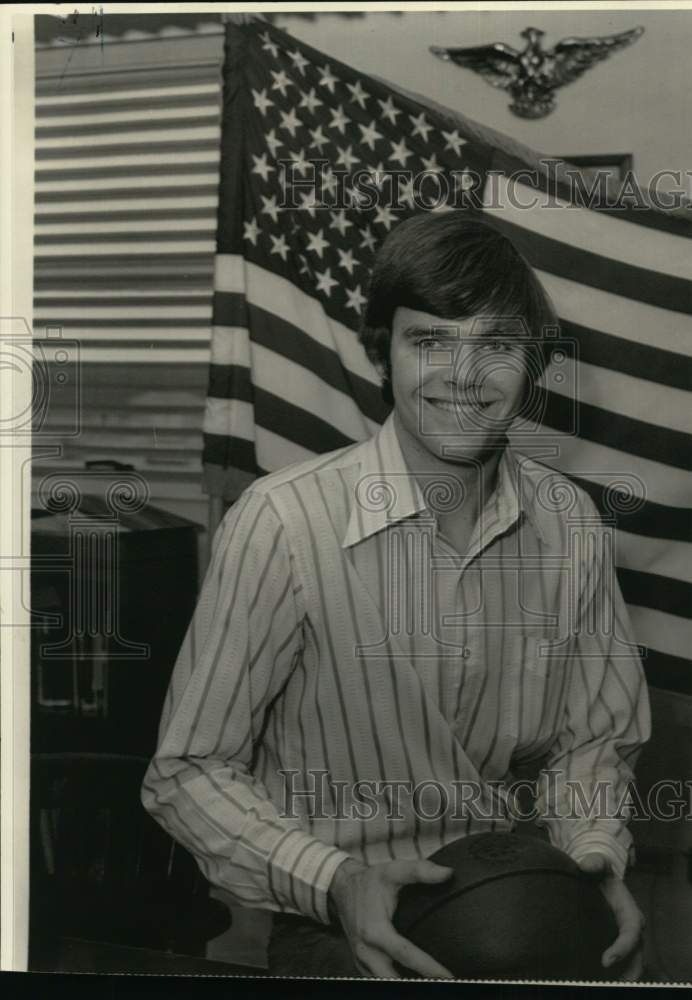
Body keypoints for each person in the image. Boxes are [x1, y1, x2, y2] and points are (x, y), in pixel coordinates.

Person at [142, 211, 651, 980]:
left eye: (498, 346)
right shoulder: (282, 523)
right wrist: (338, 882)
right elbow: (187, 772)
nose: (465, 377)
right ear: (382, 352)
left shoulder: (568, 519)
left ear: (534, 366)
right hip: (334, 924)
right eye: (431, 341)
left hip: (511, 900)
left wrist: (592, 857)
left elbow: (591, 744)